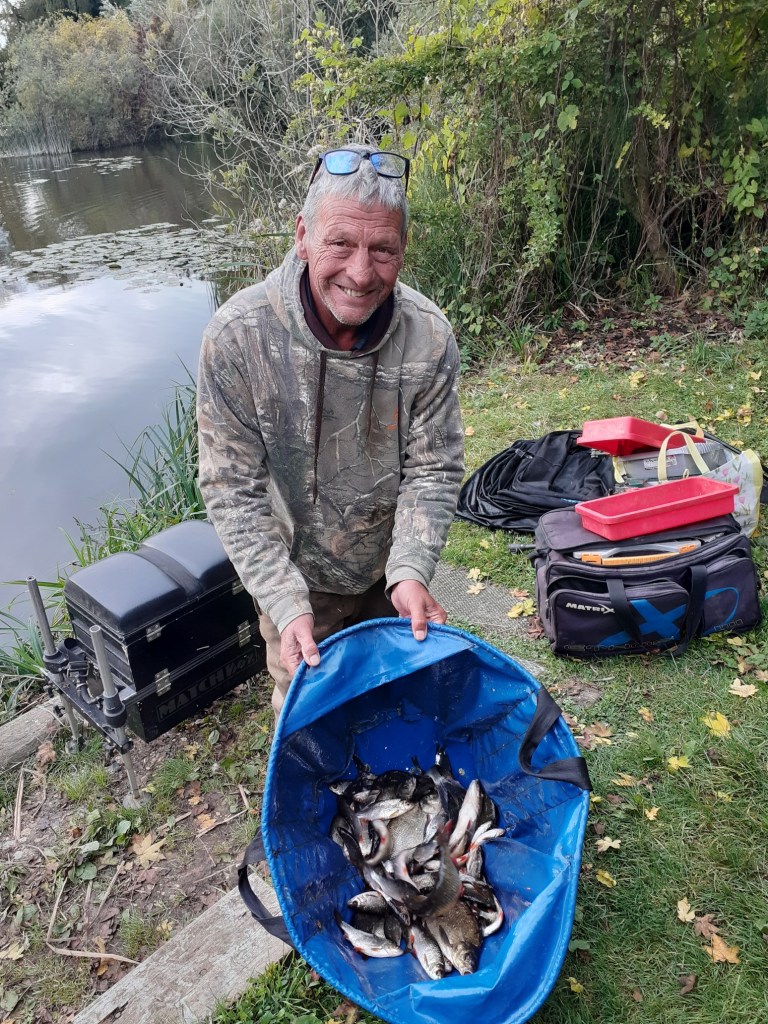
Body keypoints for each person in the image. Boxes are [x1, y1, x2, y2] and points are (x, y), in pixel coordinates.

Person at [197, 143, 465, 716]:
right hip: (293, 576)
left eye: (382, 249)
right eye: (340, 243)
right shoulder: (238, 337)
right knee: (308, 716)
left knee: (396, 705)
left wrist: (412, 569)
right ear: (303, 236)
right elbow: (232, 490)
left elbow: (434, 468)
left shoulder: (430, 338)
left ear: (403, 248)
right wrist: (284, 601)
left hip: (389, 568)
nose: (361, 273)